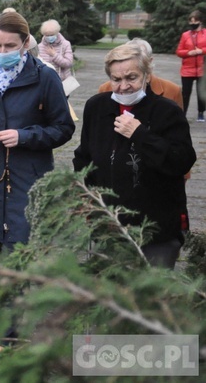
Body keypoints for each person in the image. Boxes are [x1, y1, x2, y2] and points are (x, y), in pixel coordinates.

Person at [0, 12, 75, 253]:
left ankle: (20, 290)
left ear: (25, 42)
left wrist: (24, 136)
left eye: (10, 45)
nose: (2, 51)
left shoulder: (45, 77)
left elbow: (63, 127)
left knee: (21, 247)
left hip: (28, 174)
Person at [73, 44, 195, 268]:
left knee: (150, 296)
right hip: (109, 222)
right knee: (110, 293)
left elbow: (182, 160)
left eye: (131, 77)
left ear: (146, 76)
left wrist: (139, 134)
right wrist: (87, 198)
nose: (123, 86)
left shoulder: (166, 111)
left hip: (155, 226)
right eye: (116, 79)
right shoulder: (96, 106)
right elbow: (84, 157)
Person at [99, 38, 183, 109]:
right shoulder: (105, 89)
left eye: (131, 78)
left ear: (149, 62)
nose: (123, 87)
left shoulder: (172, 91)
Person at [175, 9, 206, 121]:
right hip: (187, 69)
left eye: (195, 22)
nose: (193, 24)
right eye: (191, 22)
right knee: (185, 94)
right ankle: (183, 114)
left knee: (201, 93)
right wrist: (188, 53)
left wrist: (201, 51)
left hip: (202, 69)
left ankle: (201, 113)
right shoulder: (185, 35)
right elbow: (179, 51)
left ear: (200, 22)